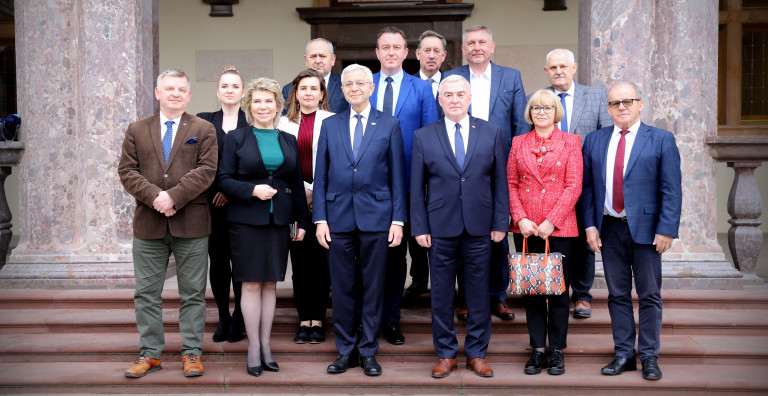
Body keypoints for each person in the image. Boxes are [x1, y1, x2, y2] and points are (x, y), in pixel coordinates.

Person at [119, 69, 217, 378]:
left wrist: (174, 196)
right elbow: (127, 171)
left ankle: (191, 352)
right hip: (148, 224)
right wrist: (156, 197)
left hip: (192, 224)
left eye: (181, 89)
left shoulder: (203, 128)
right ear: (158, 92)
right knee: (146, 293)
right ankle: (150, 354)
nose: (175, 93)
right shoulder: (136, 129)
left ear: (188, 95)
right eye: (169, 88)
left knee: (192, 293)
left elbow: (206, 170)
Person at [581, 82, 682, 381]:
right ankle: (624, 353)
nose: (621, 107)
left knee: (649, 294)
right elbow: (587, 189)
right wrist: (589, 225)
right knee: (617, 294)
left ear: (640, 104)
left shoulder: (661, 139)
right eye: (614, 103)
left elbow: (671, 190)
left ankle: (649, 356)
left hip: (649, 231)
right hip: (609, 229)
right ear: (608, 109)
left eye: (627, 101)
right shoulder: (594, 141)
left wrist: (667, 230)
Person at [410, 75, 509, 379]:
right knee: (441, 294)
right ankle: (446, 353)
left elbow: (499, 182)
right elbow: (416, 187)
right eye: (448, 94)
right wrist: (419, 226)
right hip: (439, 227)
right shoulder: (424, 136)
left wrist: (499, 222)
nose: (454, 99)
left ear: (469, 99)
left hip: (480, 226)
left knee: (478, 292)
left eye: (460, 94)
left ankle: (477, 353)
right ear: (440, 100)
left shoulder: (491, 132)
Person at [314, 63, 407, 376]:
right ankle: (345, 351)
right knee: (342, 288)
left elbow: (397, 177)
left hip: (378, 218)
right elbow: (321, 176)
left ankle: (368, 351)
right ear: (342, 90)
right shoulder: (330, 125)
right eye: (349, 84)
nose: (354, 88)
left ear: (371, 88)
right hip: (337, 218)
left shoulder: (389, 124)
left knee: (373, 287)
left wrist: (398, 220)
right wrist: (320, 220)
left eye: (360, 83)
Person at [217, 77, 310, 377]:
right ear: (249, 105)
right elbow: (224, 179)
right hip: (246, 220)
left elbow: (295, 185)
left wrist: (301, 221)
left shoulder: (288, 140)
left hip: (279, 221)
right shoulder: (237, 138)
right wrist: (252, 191)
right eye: (257, 101)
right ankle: (253, 347)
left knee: (271, 283)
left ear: (278, 105)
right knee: (252, 283)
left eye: (269, 100)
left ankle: (267, 344)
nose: (263, 106)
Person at [444, 25, 526, 321]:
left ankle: (498, 295)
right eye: (471, 43)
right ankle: (466, 297)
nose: (476, 47)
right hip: (460, 168)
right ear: (463, 49)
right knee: (464, 231)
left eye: (482, 42)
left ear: (492, 47)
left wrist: (516, 165)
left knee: (497, 235)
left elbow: (520, 125)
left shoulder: (510, 77)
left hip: (499, 168)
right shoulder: (451, 77)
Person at [370, 26, 438, 345]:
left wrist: (426, 184)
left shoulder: (421, 88)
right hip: (367, 186)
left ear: (407, 52)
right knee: (369, 254)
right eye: (386, 47)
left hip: (408, 184)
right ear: (377, 52)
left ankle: (392, 320)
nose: (392, 52)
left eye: (397, 47)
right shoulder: (360, 84)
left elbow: (428, 138)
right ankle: (367, 318)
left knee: (397, 256)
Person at [507, 89, 583, 376]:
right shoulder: (518, 142)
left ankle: (557, 351)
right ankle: (537, 349)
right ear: (530, 112)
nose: (541, 112)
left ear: (556, 111)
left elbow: (574, 185)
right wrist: (520, 218)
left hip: (560, 227)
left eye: (547, 107)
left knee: (560, 292)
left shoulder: (572, 142)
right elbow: (510, 183)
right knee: (533, 289)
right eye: (536, 108)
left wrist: (552, 219)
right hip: (526, 228)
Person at [542, 48, 612, 319]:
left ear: (573, 68)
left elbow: (605, 138)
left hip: (585, 182)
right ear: (546, 71)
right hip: (549, 185)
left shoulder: (595, 96)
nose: (558, 71)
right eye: (553, 67)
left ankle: (582, 294)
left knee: (586, 237)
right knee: (554, 241)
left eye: (563, 66)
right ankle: (550, 289)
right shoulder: (540, 99)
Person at [276, 68, 334, 344]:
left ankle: (318, 320)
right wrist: (302, 191)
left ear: (322, 94)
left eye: (314, 88)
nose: (308, 93)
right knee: (299, 264)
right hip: (293, 203)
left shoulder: (334, 121)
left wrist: (315, 191)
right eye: (303, 88)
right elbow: (277, 166)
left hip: (325, 204)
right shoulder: (282, 123)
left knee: (321, 263)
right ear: (295, 94)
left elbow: (339, 164)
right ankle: (304, 320)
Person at [196, 66, 249, 343]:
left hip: (242, 207)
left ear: (243, 92)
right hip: (211, 206)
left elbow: (254, 165)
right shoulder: (203, 121)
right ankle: (223, 317)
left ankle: (240, 317)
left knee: (240, 264)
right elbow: (198, 163)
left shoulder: (251, 124)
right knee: (218, 264)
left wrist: (230, 190)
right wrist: (218, 189)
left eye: (234, 86)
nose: (229, 90)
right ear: (218, 92)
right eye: (224, 86)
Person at [404, 29, 448, 301]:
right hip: (413, 166)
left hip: (448, 170)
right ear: (417, 54)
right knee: (414, 225)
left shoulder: (456, 84)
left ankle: (447, 283)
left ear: (444, 56)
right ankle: (419, 279)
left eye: (436, 51)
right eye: (426, 51)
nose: (431, 56)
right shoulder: (407, 85)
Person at [282, 38, 348, 114]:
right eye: (313, 56)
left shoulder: (345, 84)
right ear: (306, 60)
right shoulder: (289, 89)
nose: (317, 61)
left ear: (332, 59)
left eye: (322, 56)